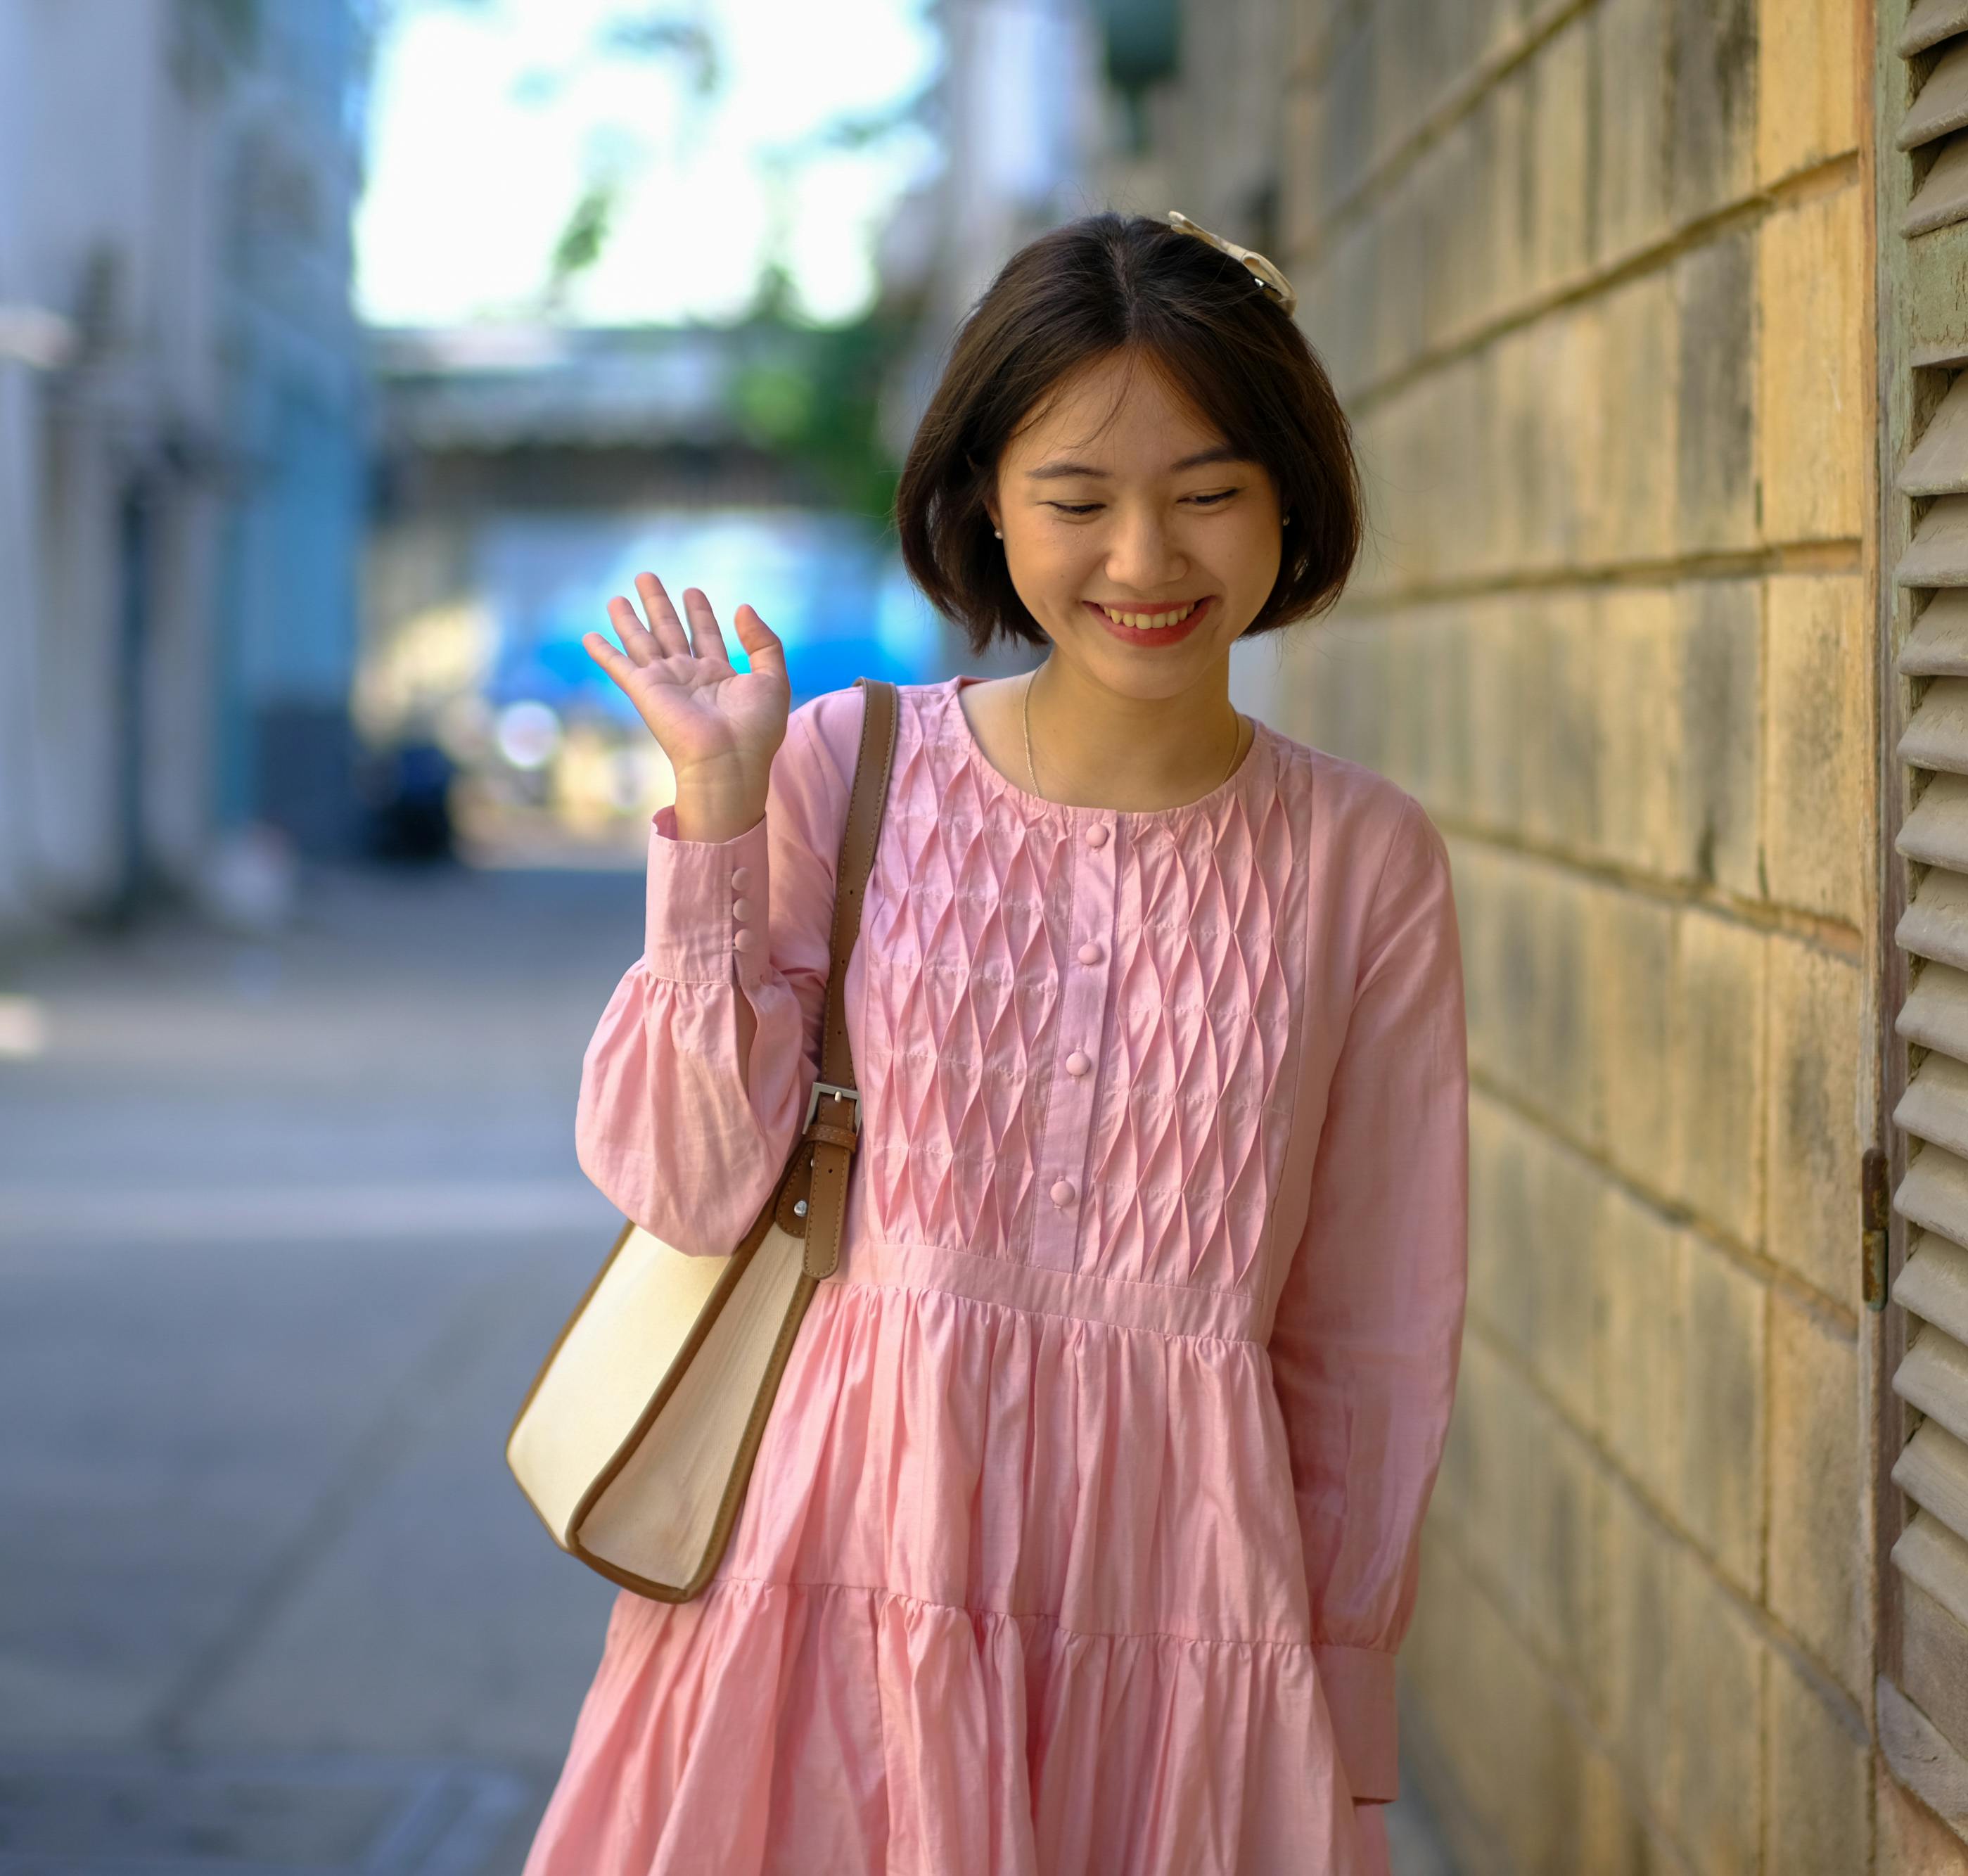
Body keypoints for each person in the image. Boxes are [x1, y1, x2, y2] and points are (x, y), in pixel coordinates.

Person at [525, 211, 1467, 1876]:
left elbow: (1368, 1331)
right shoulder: (835, 763)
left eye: (1204, 492)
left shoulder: (1359, 858)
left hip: (1179, 1608)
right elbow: (685, 1176)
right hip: (831, 1577)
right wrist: (719, 817)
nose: (1143, 559)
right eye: (1077, 500)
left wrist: (1341, 1691)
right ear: (983, 502)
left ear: (1288, 499)